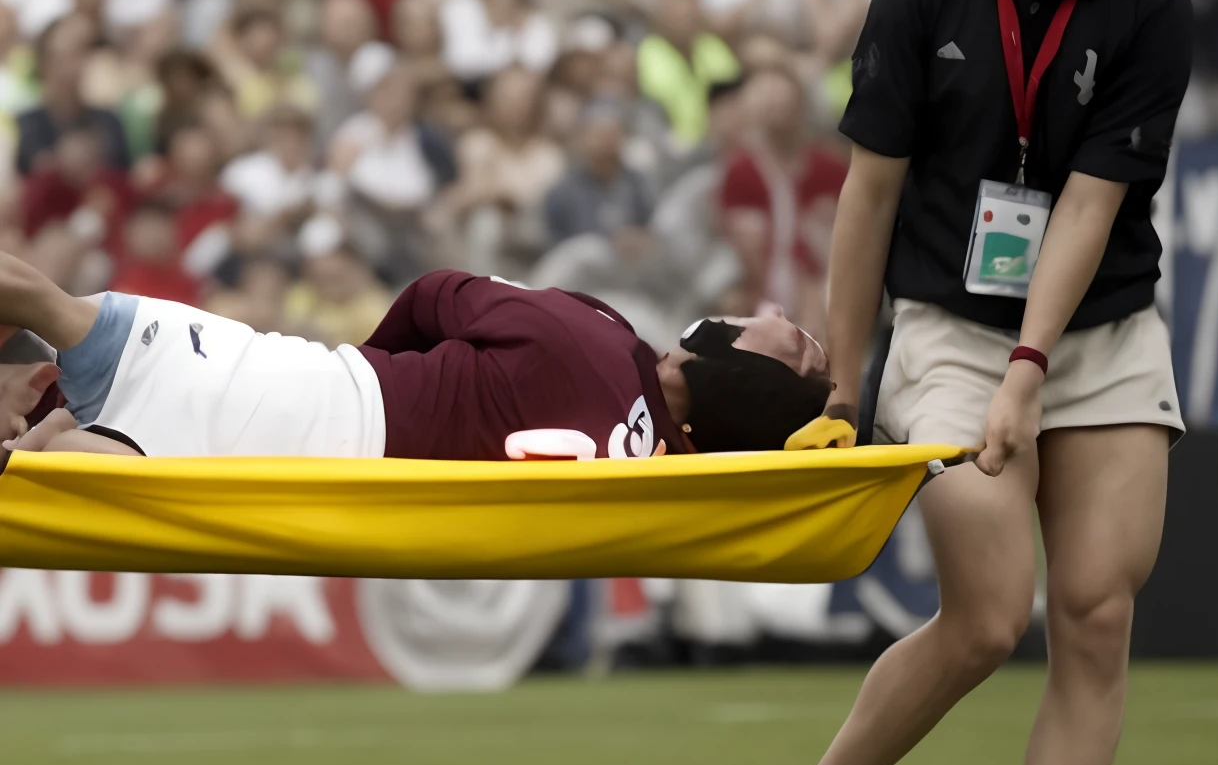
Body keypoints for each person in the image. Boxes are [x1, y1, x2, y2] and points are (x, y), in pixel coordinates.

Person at [722, 0, 1193, 765]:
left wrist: (1035, 369)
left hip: (1097, 335)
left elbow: (1090, 206)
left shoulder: (1151, 6)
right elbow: (866, 200)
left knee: (1095, 612)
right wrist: (844, 384)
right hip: (946, 330)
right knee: (988, 617)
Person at [0, 256, 829, 464]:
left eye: (785, 336)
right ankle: (48, 430)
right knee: (87, 455)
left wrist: (370, 364)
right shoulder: (665, 476)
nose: (777, 312)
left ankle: (42, 428)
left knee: (46, 303)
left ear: (736, 370)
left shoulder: (596, 338)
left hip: (303, 394)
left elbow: (438, 294)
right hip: (313, 461)